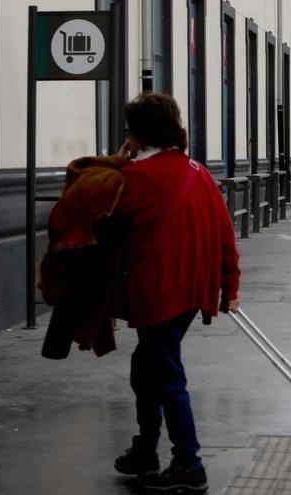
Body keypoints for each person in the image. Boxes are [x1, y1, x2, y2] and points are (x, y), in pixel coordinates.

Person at [110, 93, 241, 493]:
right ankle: (146, 450)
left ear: (135, 133)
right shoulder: (197, 171)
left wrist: (120, 161)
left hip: (158, 291)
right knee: (146, 365)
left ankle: (189, 462)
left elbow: (110, 233)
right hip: (192, 290)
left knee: (165, 374)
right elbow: (225, 234)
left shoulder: (133, 178)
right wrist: (229, 287)